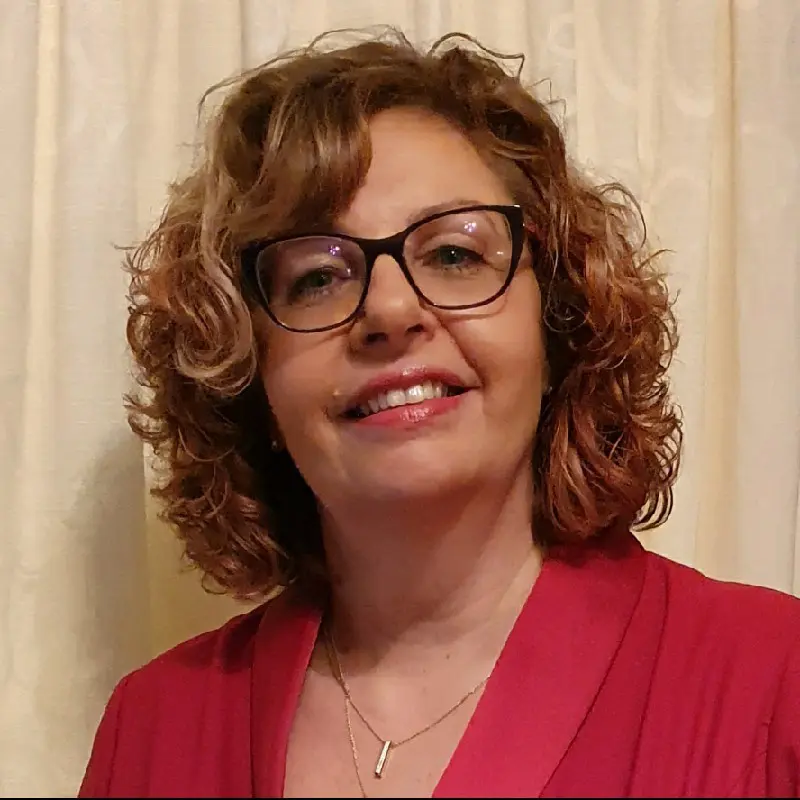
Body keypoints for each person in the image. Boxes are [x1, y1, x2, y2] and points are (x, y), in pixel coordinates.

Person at [78, 28, 800, 799]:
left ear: (559, 322)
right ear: (245, 372)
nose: (390, 310)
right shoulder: (153, 731)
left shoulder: (774, 684)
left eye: (455, 254)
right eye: (317, 277)